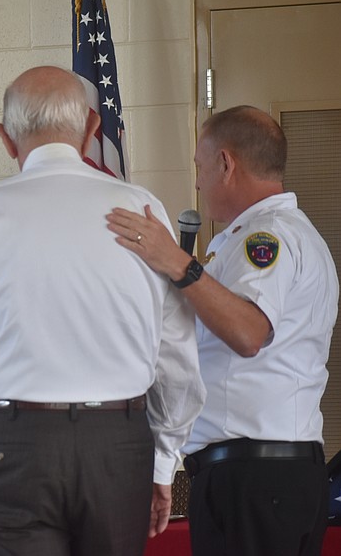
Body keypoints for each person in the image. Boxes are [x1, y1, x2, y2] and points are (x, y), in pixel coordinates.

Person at [0, 65, 205, 556]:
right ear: (92, 129)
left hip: (8, 446)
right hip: (118, 447)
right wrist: (161, 464)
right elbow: (176, 355)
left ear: (6, 140)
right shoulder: (142, 212)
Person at [106, 105, 338, 556]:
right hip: (259, 476)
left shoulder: (266, 238)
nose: (197, 182)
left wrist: (176, 261)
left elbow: (249, 333)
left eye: (199, 167)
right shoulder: (261, 235)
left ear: (226, 164)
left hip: (256, 476)